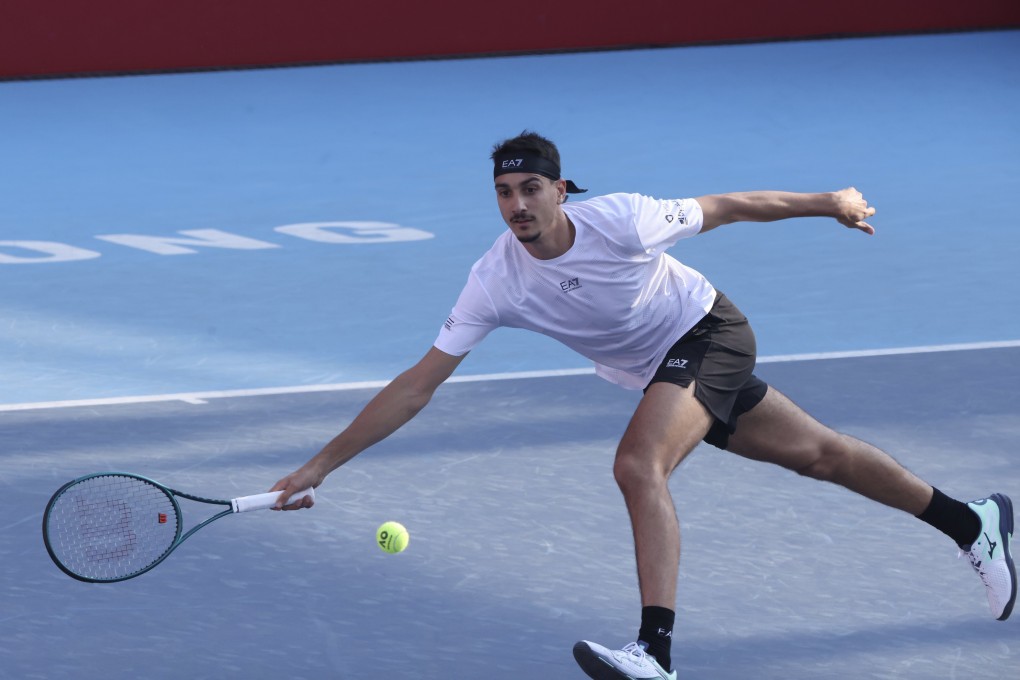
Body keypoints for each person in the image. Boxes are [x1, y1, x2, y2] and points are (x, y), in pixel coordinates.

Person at [270, 131, 1016, 680]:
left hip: (707, 333)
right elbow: (418, 382)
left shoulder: (622, 220)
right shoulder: (494, 279)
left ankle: (654, 651)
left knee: (637, 464)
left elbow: (729, 206)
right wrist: (320, 465)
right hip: (659, 368)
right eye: (504, 192)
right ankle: (972, 521)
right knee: (819, 454)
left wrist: (831, 203)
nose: (517, 205)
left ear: (562, 192)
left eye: (531, 188)